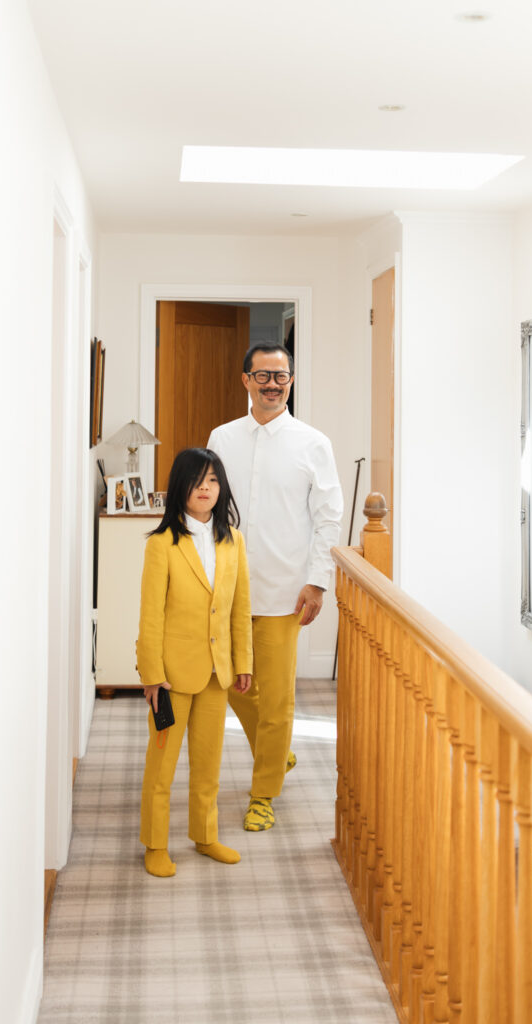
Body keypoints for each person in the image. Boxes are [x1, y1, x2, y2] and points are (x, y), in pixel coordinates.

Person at [207, 342, 343, 831]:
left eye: (281, 376)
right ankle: (276, 751)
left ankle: (263, 791)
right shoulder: (222, 438)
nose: (272, 384)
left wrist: (318, 583)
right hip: (229, 587)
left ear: (290, 381)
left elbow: (329, 517)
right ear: (245, 380)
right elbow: (209, 510)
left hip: (287, 589)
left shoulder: (313, 443)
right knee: (229, 682)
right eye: (262, 375)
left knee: (278, 697)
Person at [136, 448, 253, 876]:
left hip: (216, 672)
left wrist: (244, 663)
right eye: (197, 480)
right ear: (180, 487)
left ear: (221, 489)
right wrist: (151, 674)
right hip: (170, 676)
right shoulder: (161, 545)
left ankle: (205, 836)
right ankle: (155, 843)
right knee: (162, 765)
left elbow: (240, 608)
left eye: (213, 481)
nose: (205, 488)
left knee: (209, 762)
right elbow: (150, 616)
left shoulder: (234, 540)